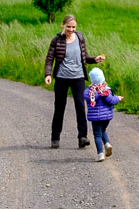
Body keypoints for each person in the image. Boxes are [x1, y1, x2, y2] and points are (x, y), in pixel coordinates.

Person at [43, 14, 105, 149]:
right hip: (61, 78)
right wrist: (48, 74)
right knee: (59, 107)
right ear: (63, 25)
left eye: (73, 27)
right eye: (68, 27)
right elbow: (49, 59)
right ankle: (55, 137)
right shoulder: (57, 40)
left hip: (78, 77)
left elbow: (84, 57)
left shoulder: (80, 38)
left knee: (80, 106)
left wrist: (95, 59)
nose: (71, 29)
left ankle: (82, 137)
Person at [84, 66, 122, 162]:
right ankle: (107, 143)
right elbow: (111, 100)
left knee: (97, 134)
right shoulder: (106, 90)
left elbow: (85, 96)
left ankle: (100, 153)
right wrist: (118, 98)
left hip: (95, 118)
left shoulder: (89, 92)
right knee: (103, 129)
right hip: (106, 117)